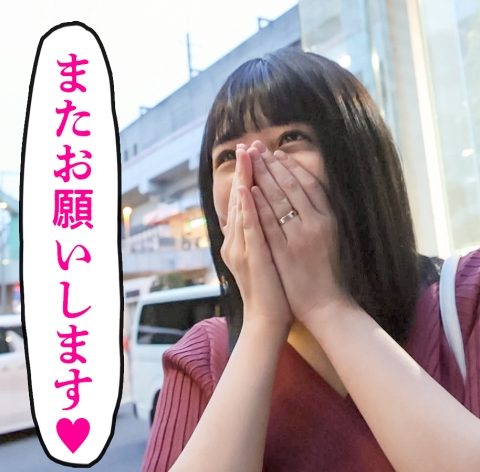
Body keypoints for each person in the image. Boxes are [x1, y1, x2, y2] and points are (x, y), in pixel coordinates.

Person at [141, 47, 480, 471]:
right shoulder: (202, 357)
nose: (252, 166)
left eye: (289, 139)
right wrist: (262, 324)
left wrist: (327, 305)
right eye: (227, 157)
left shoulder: (467, 298)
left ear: (359, 160)